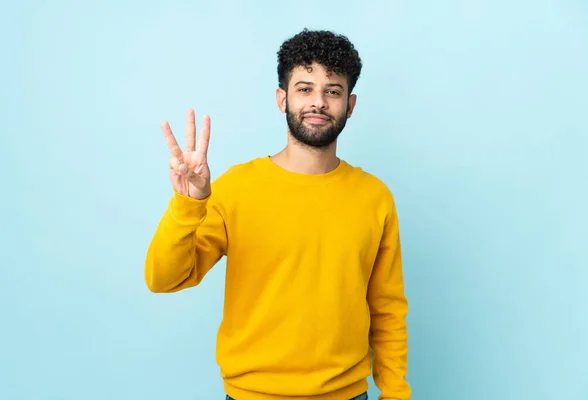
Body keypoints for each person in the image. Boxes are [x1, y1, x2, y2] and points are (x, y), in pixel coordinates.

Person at [144, 28, 411, 400]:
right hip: (250, 393)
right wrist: (188, 204)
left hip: (347, 394)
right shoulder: (236, 188)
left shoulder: (374, 197)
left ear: (349, 105)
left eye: (332, 91)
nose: (317, 102)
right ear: (282, 98)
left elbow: (386, 309)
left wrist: (395, 393)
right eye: (304, 88)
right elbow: (163, 278)